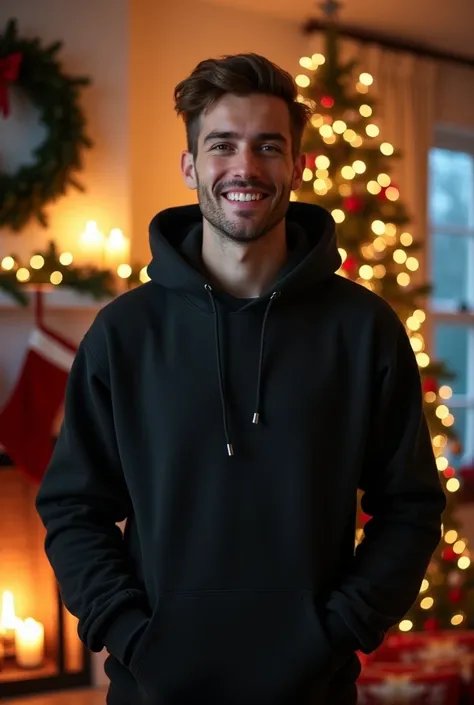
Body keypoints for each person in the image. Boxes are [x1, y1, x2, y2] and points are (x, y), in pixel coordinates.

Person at [35, 53, 446, 705]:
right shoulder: (123, 333)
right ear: (191, 165)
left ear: (297, 165)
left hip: (314, 690)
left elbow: (412, 506)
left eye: (268, 146)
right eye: (222, 145)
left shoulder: (365, 329)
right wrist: (132, 634)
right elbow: (72, 507)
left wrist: (338, 630)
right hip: (152, 689)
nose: (245, 169)